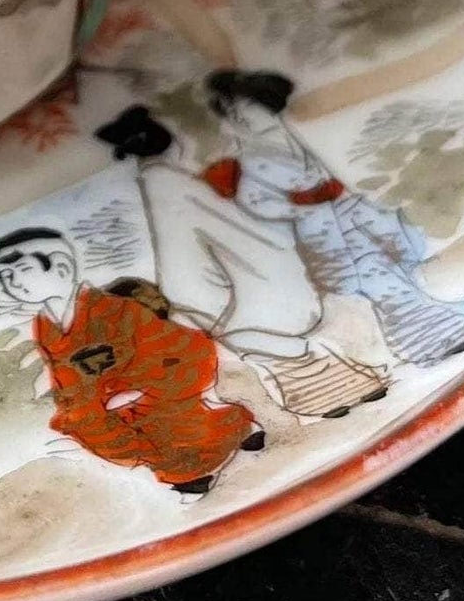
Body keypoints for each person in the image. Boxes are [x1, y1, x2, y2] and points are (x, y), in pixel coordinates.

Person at [94, 105, 389, 420]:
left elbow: (183, 271)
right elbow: (199, 255)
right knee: (279, 340)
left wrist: (197, 309)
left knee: (265, 336)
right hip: (268, 292)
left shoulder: (169, 187)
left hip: (250, 304)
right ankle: (330, 388)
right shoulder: (171, 186)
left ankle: (326, 389)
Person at [199, 69, 464, 367]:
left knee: (391, 271)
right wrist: (299, 209)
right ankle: (427, 341)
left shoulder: (296, 136)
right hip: (322, 231)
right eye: (234, 114)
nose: (243, 119)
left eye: (248, 109)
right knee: (378, 281)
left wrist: (352, 202)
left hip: (351, 214)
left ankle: (439, 330)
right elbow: (254, 200)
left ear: (267, 106)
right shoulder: (253, 157)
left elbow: (338, 176)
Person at [0, 226, 261, 496]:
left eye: (23, 270)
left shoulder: (117, 310)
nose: (14, 282)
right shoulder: (45, 326)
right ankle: (197, 450)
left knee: (177, 431)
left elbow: (174, 349)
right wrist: (75, 405)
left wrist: (136, 390)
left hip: (159, 380)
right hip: (102, 395)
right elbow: (63, 373)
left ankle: (232, 429)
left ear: (62, 268)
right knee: (95, 430)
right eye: (6, 276)